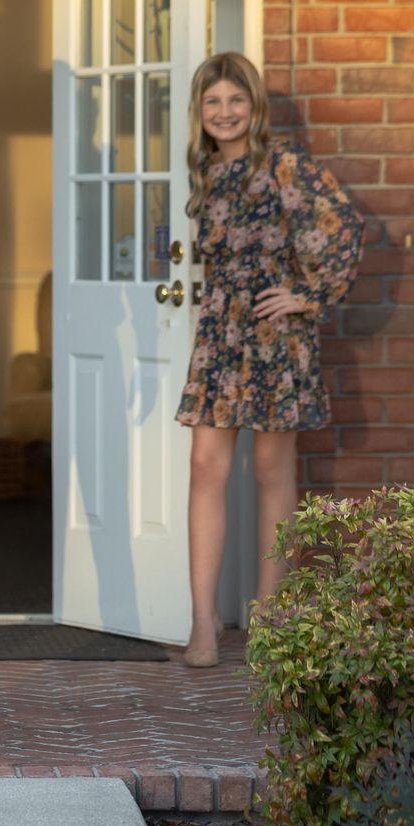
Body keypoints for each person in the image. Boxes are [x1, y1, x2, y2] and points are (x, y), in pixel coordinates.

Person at [175, 53, 362, 668]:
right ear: (200, 114)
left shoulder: (284, 167)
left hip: (276, 337)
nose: (225, 113)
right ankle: (204, 623)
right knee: (207, 466)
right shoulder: (204, 172)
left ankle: (271, 618)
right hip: (220, 337)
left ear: (254, 107)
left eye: (236, 100)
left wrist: (308, 296)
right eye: (213, 103)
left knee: (272, 473)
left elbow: (344, 226)